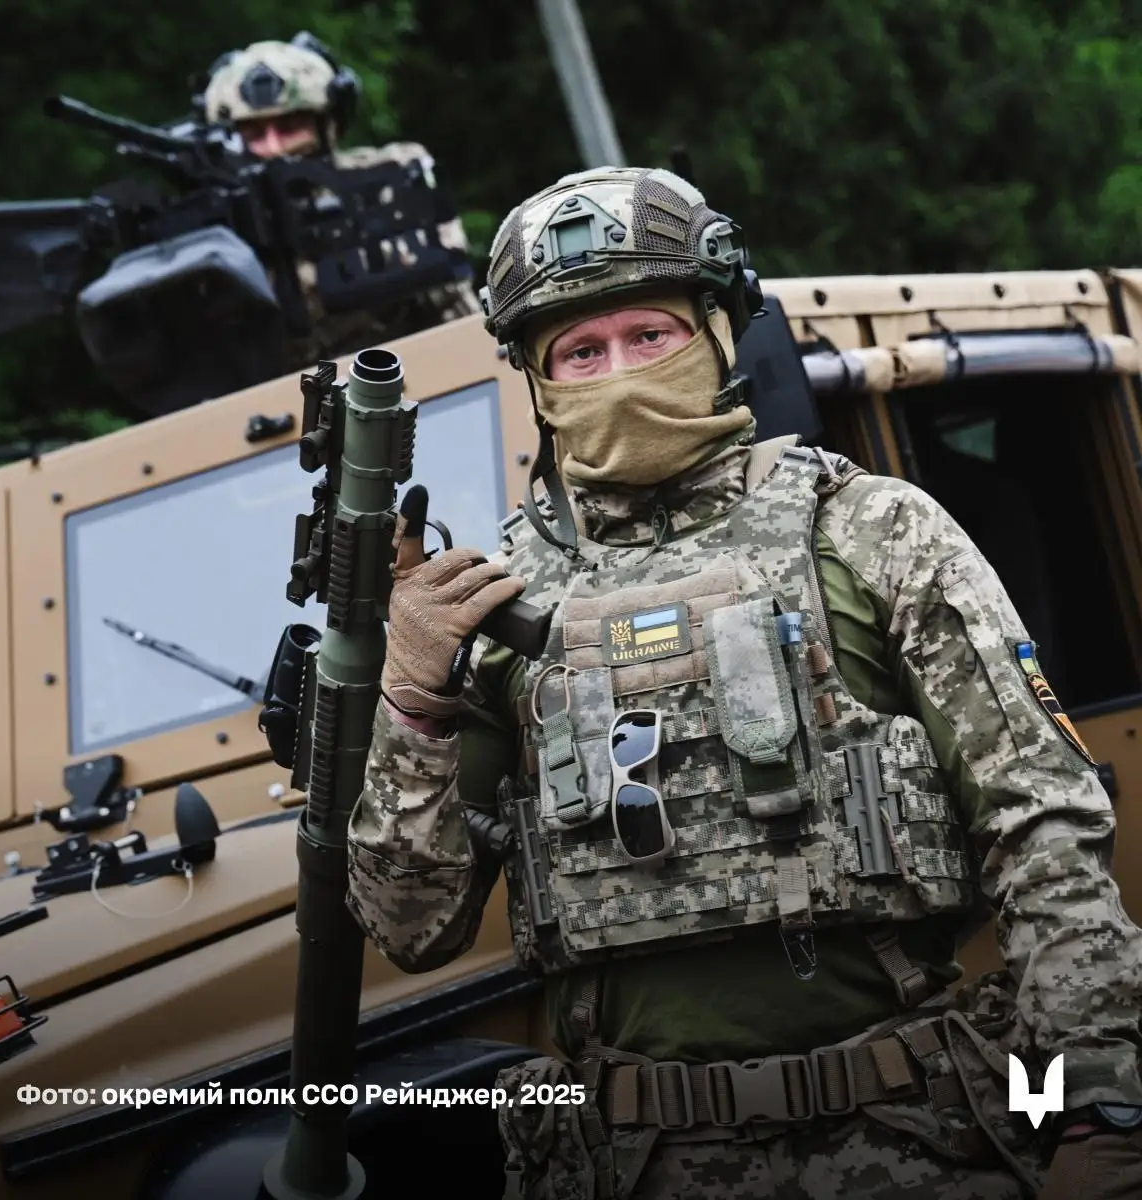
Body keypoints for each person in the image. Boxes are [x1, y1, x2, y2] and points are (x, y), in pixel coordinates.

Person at [346, 165, 1142, 1199]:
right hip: (634, 1164)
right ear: (539, 384)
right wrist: (411, 699)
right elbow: (412, 930)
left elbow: (1043, 827)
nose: (618, 372)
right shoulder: (493, 607)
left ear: (719, 334)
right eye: (580, 351)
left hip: (919, 1134)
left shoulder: (870, 530)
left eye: (650, 335)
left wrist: (1098, 1106)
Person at [199, 32, 481, 368]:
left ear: (327, 123)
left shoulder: (389, 174)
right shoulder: (217, 223)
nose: (273, 148)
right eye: (253, 134)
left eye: (291, 127)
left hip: (427, 367)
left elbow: (443, 273)